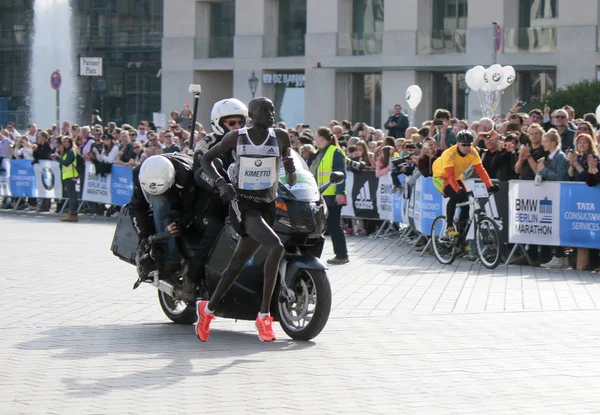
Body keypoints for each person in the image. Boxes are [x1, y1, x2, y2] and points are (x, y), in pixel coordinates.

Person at [197, 97, 297, 343]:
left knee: (236, 265)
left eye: (272, 109)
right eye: (264, 110)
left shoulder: (281, 137)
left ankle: (207, 311)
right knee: (275, 247)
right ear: (251, 114)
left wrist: (291, 167)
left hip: (267, 204)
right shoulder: (237, 138)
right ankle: (264, 316)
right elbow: (205, 160)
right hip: (243, 204)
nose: (270, 113)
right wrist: (222, 183)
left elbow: (292, 180)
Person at [184, 98, 248, 303]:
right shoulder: (208, 144)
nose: (237, 127)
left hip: (243, 202)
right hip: (212, 206)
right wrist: (219, 184)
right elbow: (200, 171)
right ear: (218, 123)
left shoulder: (250, 142)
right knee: (214, 231)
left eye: (240, 122)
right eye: (232, 123)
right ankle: (191, 280)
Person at [128, 153, 198, 286]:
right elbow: (136, 207)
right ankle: (167, 259)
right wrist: (143, 236)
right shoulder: (139, 173)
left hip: (185, 194)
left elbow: (192, 208)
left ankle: (175, 257)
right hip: (161, 189)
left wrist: (180, 224)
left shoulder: (188, 174)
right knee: (158, 200)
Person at [432, 130, 499, 237]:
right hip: (441, 176)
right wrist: (458, 189)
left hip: (456, 177)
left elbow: (481, 171)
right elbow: (449, 176)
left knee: (466, 203)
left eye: (469, 145)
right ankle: (449, 227)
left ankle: (461, 237)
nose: (467, 147)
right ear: (458, 144)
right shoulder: (449, 154)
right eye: (464, 145)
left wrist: (489, 185)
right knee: (454, 195)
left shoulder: (472, 152)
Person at [311, 127, 349, 264]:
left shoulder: (335, 152)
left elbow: (340, 173)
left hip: (331, 195)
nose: (314, 139)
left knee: (334, 225)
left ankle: (342, 255)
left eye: (316, 136)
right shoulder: (318, 153)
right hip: (320, 194)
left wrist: (340, 193)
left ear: (322, 137)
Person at [50, 137, 79, 222]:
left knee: (72, 196)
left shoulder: (70, 152)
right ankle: (72, 214)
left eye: (67, 142)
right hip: (68, 176)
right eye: (64, 142)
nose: (66, 143)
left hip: (71, 176)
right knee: (71, 195)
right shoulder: (67, 152)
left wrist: (57, 158)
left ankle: (73, 214)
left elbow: (66, 163)